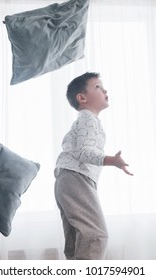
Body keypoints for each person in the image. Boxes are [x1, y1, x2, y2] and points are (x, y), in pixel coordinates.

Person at [54, 72, 133, 260]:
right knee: (96, 235)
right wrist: (111, 160)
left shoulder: (84, 121)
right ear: (81, 98)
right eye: (98, 87)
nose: (104, 89)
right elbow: (84, 152)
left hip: (68, 180)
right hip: (76, 177)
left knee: (77, 241)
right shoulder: (88, 119)